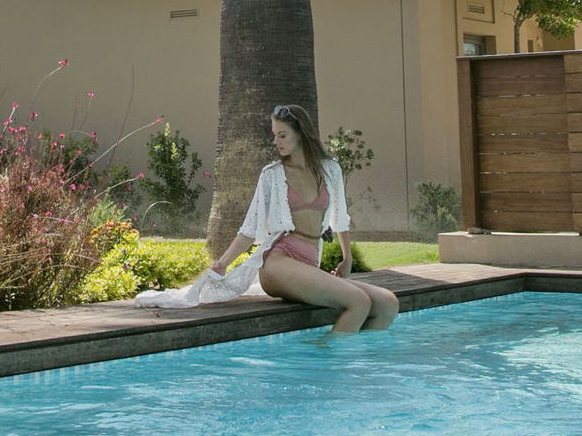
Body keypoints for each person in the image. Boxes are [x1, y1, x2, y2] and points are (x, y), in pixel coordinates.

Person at [136, 104, 398, 338]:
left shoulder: (330, 169)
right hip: (278, 263)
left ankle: (355, 358)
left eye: (282, 135)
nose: (277, 142)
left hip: (308, 263)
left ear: (301, 134)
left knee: (387, 303)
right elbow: (250, 229)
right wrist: (223, 263)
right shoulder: (272, 175)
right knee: (359, 302)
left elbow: (340, 219)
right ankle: (327, 365)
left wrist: (347, 258)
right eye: (275, 136)